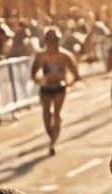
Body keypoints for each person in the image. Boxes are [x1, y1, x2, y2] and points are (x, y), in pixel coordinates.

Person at [32, 27, 80, 155]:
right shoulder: (41, 56)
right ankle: (51, 135)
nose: (53, 44)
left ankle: (53, 143)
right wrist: (40, 79)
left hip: (59, 88)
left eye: (55, 40)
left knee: (57, 113)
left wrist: (69, 81)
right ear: (46, 41)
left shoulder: (64, 56)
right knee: (47, 115)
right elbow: (34, 73)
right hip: (46, 89)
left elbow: (75, 73)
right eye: (50, 40)